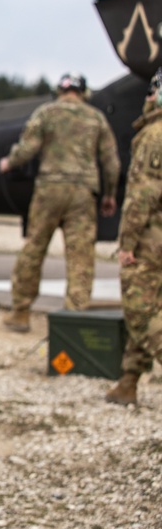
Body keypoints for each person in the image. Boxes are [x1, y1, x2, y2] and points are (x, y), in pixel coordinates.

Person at [0, 72, 121, 332]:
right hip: (83, 193)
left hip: (49, 190)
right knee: (80, 255)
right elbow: (111, 163)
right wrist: (109, 194)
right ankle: (75, 317)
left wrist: (9, 162)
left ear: (61, 90)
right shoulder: (95, 118)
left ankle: (20, 312)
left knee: (34, 248)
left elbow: (28, 148)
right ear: (83, 92)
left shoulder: (46, 113)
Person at [105, 68, 162, 405]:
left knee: (141, 313)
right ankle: (128, 382)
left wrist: (127, 244)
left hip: (150, 242)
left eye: (152, 91)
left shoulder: (154, 135)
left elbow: (142, 196)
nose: (147, 98)